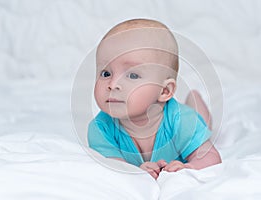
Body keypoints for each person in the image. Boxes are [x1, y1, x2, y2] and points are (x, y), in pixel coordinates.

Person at [88, 18, 221, 179]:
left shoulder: (184, 121)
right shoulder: (100, 129)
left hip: (191, 118)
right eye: (106, 73)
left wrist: (189, 167)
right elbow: (113, 167)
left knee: (203, 122)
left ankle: (195, 99)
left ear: (164, 91)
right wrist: (137, 171)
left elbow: (211, 157)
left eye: (132, 75)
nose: (113, 84)